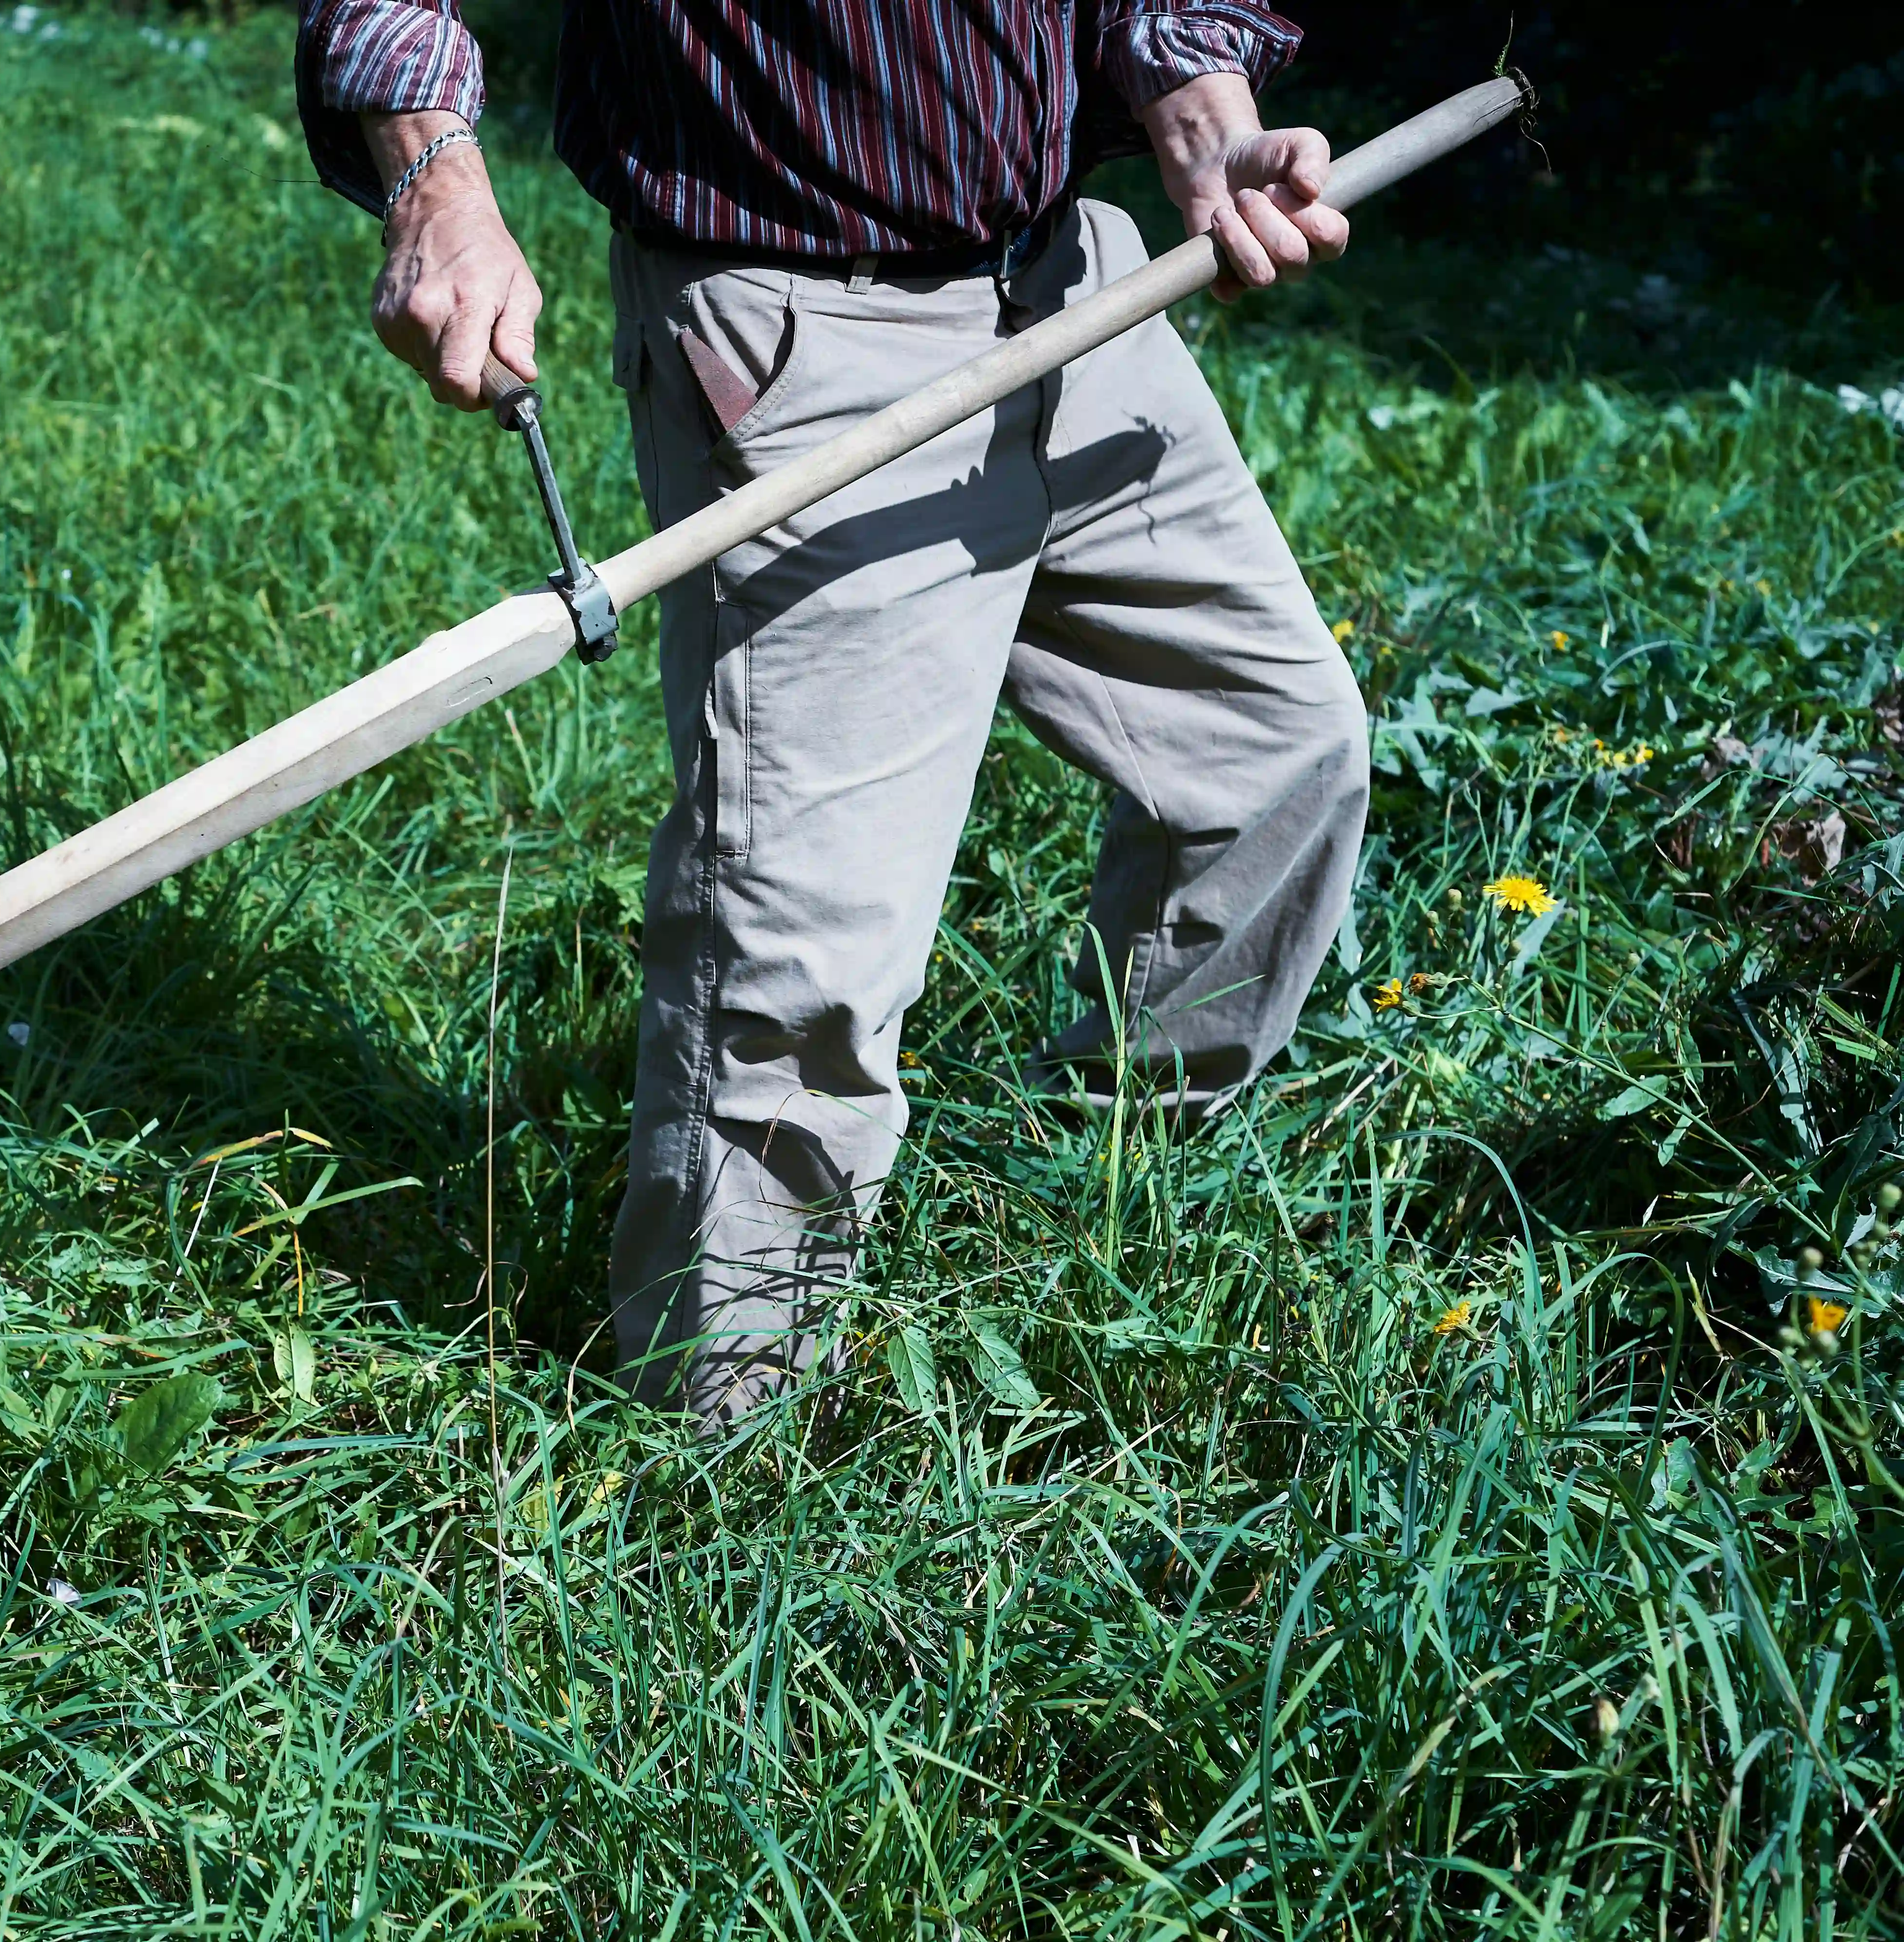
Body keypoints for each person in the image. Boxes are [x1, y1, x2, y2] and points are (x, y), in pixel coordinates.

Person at [294, 0, 1366, 1422]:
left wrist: (1201, 102)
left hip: (1070, 283)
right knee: (801, 971)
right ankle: (720, 1466)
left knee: (1277, 754)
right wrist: (435, 180)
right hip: (804, 327)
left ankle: (1091, 1207)